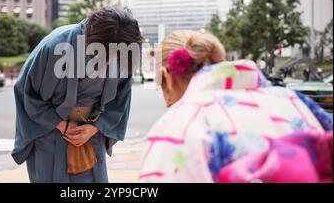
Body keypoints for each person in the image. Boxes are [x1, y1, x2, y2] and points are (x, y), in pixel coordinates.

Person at [139, 30, 332, 183]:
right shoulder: (293, 100)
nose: (167, 103)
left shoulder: (181, 122)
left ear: (167, 77)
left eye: (160, 86)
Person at [12, 7, 143, 183]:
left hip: (90, 133)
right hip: (51, 132)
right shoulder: (55, 46)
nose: (112, 61)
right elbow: (27, 93)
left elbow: (121, 99)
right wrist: (63, 126)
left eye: (117, 56)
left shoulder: (123, 52)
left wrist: (96, 127)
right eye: (108, 54)